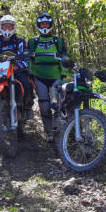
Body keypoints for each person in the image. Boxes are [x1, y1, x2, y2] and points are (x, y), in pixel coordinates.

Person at [27, 11, 68, 143]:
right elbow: (29, 61)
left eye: (46, 23)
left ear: (50, 24)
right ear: (38, 25)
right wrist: (31, 76)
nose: (44, 25)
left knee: (57, 104)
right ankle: (49, 131)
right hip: (39, 77)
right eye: (42, 23)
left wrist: (64, 76)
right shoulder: (33, 41)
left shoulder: (58, 41)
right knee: (44, 105)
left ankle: (59, 130)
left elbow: (65, 59)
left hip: (56, 76)